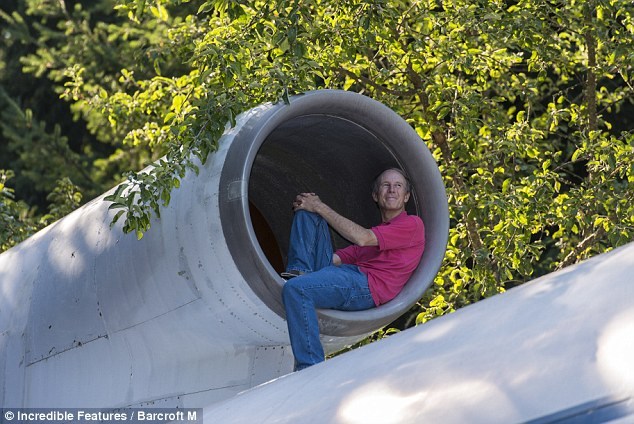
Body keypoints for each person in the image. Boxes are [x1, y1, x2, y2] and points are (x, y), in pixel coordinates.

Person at [281, 168, 425, 371]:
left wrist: (320, 206)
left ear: (406, 196)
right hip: (348, 276)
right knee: (308, 212)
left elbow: (362, 237)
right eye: (386, 185)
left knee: (296, 289)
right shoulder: (376, 237)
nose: (392, 190)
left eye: (398, 186)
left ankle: (309, 368)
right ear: (376, 196)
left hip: (366, 286)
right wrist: (310, 207)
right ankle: (300, 272)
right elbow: (333, 259)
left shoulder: (412, 224)